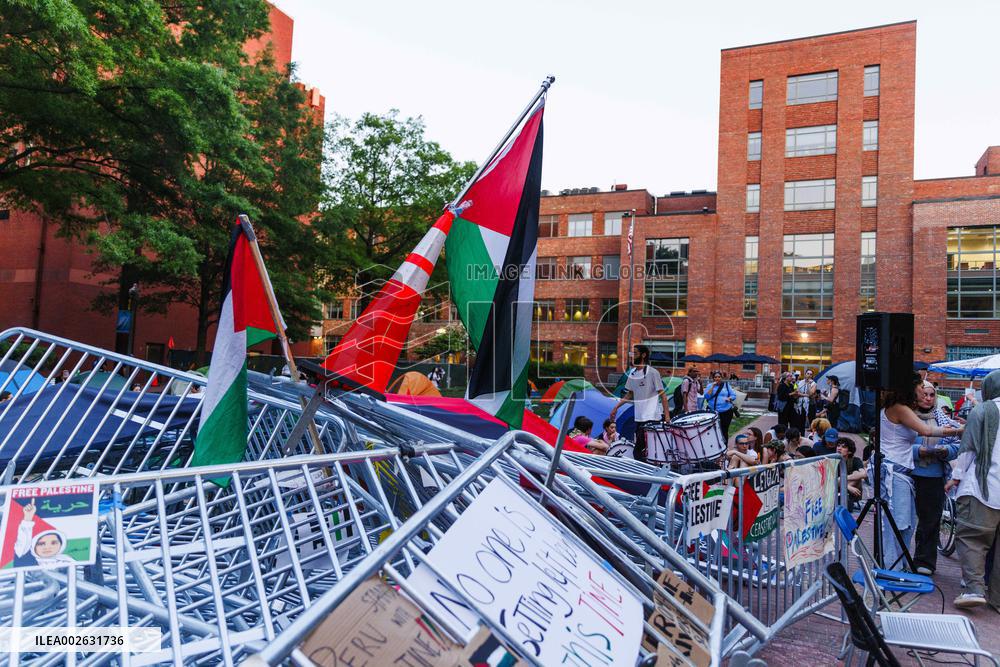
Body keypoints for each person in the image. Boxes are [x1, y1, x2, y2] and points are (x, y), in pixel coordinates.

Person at [880, 374, 963, 571]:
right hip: (897, 470)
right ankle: (893, 567)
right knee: (900, 523)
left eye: (930, 394)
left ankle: (900, 564)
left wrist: (950, 441)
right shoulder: (900, 409)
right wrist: (961, 430)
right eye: (920, 390)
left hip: (903, 471)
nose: (924, 396)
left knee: (907, 522)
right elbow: (927, 431)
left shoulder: (901, 408)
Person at [947, 369, 1000, 609]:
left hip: (983, 487)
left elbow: (968, 450)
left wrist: (955, 477)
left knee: (972, 538)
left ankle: (974, 589)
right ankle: (997, 599)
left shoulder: (983, 411)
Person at [911, 381, 960, 575]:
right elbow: (896, 445)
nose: (928, 398)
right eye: (924, 394)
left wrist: (945, 450)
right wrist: (919, 451)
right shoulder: (906, 418)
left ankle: (925, 561)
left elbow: (956, 444)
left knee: (930, 520)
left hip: (934, 476)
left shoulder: (944, 421)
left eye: (932, 395)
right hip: (909, 473)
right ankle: (899, 558)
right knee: (904, 521)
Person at [611, 345, 669, 463]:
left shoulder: (653, 373)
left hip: (652, 417)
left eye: (636, 353)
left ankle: (646, 474)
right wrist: (615, 408)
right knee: (644, 451)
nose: (633, 356)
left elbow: (663, 395)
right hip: (639, 417)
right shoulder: (632, 373)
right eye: (633, 353)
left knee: (638, 451)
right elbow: (629, 394)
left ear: (643, 355)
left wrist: (667, 417)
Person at [13, 501, 76, 568]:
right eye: (41, 544)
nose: (47, 547)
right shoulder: (28, 562)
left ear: (61, 544)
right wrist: (28, 517)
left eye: (54, 543)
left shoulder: (68, 561)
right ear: (33, 546)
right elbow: (23, 544)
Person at [704, 370, 737, 442]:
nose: (717, 378)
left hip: (726, 411)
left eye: (719, 377)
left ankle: (724, 445)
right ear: (713, 378)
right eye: (715, 377)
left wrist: (730, 398)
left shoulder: (726, 385)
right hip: (713, 411)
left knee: (724, 429)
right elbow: (706, 396)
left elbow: (733, 395)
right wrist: (712, 386)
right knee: (713, 430)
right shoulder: (710, 386)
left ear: (721, 378)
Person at [836, 438, 867, 506]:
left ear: (849, 451)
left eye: (843, 447)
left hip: (852, 493)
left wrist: (843, 478)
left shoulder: (855, 460)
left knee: (857, 474)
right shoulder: (833, 460)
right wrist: (848, 487)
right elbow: (833, 481)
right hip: (836, 491)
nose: (839, 448)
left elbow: (864, 474)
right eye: (838, 446)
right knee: (855, 475)